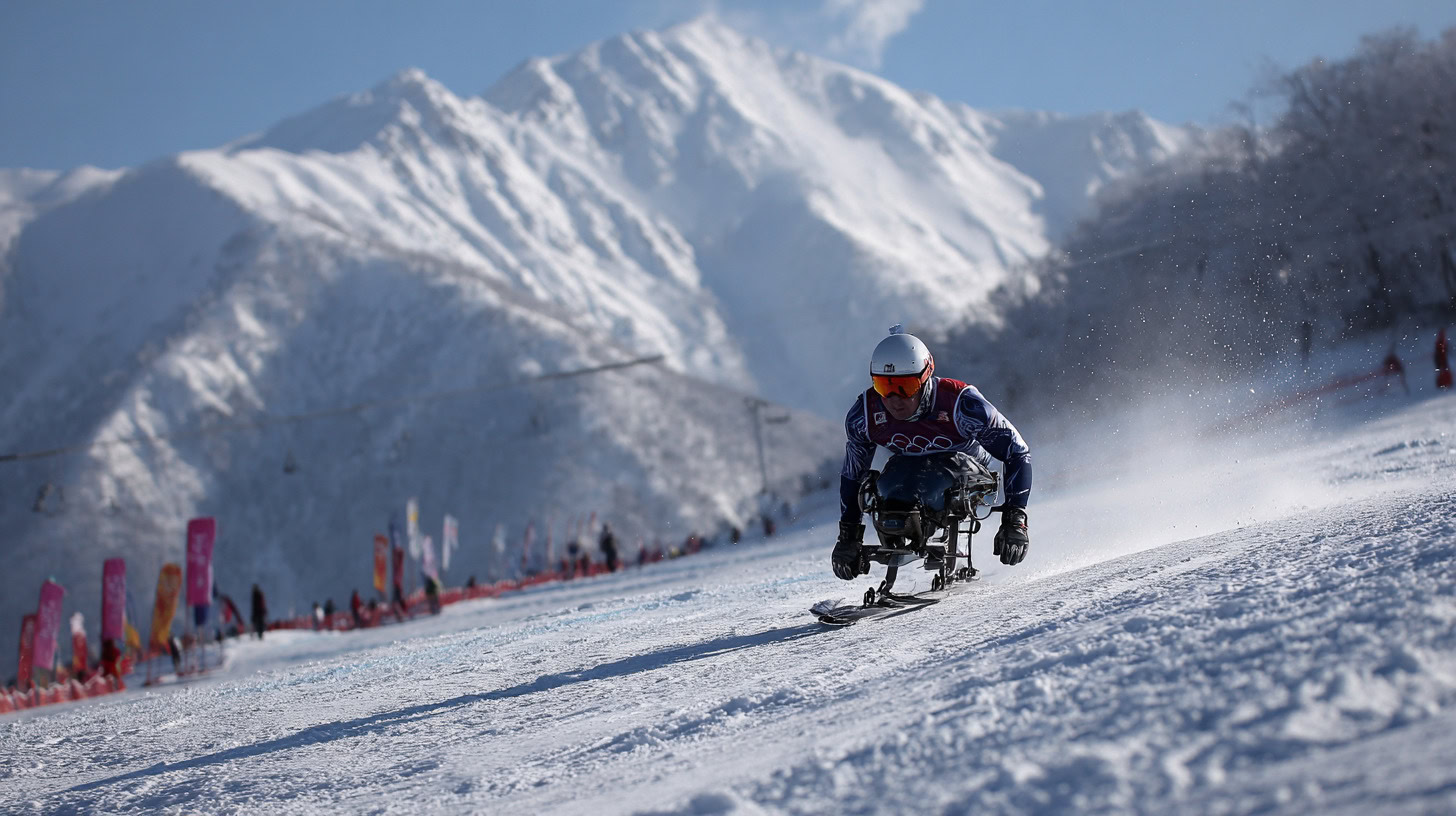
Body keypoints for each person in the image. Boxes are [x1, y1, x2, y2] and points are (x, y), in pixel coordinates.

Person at [832, 327, 1032, 580]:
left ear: (925, 377)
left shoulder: (962, 404)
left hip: (966, 469)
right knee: (884, 484)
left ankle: (952, 551)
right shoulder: (865, 415)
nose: (894, 399)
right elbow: (853, 475)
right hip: (909, 469)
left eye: (905, 386)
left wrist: (1015, 520)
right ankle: (905, 540)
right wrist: (848, 536)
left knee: (932, 473)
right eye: (884, 386)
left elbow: (1017, 451)